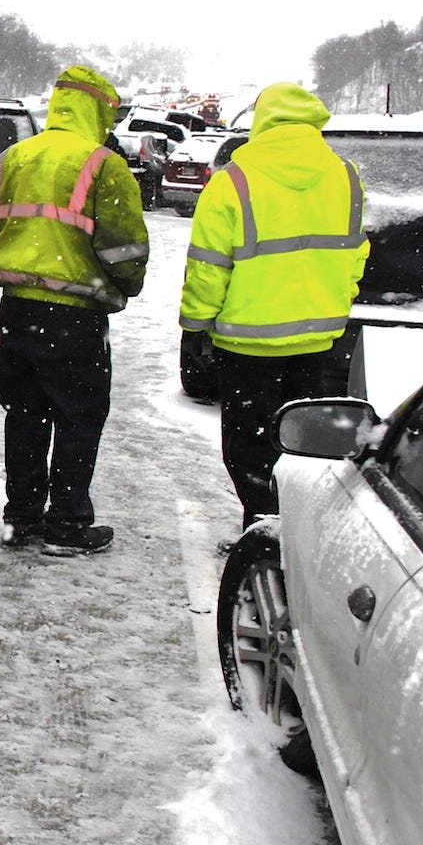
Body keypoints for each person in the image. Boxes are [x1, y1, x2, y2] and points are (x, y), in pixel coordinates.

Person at [0, 65, 150, 556]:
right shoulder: (102, 164)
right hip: (74, 315)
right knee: (78, 417)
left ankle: (21, 519)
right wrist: (125, 285)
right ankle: (68, 526)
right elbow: (125, 245)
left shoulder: (14, 157)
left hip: (16, 309)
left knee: (25, 415)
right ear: (97, 109)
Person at [179, 82, 367, 530]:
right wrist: (335, 304)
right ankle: (294, 531)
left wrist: (196, 324)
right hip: (316, 341)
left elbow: (209, 266)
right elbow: (355, 251)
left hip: (248, 343)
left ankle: (263, 530)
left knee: (248, 446)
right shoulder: (346, 176)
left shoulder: (234, 182)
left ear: (262, 122)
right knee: (300, 444)